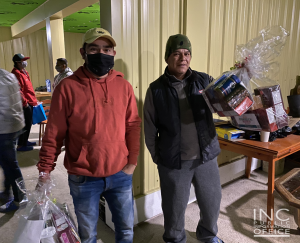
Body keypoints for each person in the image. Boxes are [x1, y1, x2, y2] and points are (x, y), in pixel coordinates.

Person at [37, 28, 141, 243]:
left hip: (120, 173)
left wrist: (132, 162)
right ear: (83, 52)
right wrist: (45, 170)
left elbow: (132, 125)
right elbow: (54, 132)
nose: (101, 54)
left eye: (106, 49)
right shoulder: (67, 88)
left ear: (113, 53)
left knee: (126, 231)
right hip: (83, 176)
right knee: (88, 236)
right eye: (94, 49)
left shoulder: (124, 87)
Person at [144, 34, 224, 243]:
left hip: (206, 156)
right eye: (177, 54)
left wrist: (240, 76)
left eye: (187, 53)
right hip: (174, 160)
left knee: (211, 201)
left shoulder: (204, 80)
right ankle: (174, 239)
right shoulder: (156, 89)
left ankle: (208, 235)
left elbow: (225, 100)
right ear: (167, 58)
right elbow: (149, 127)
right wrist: (157, 156)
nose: (183, 58)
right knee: (174, 207)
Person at [0, 68, 27, 212]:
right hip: (14, 125)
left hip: (4, 129)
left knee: (10, 165)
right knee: (6, 163)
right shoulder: (8, 75)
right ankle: (6, 192)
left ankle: (19, 200)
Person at [12, 53, 38, 151]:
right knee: (24, 124)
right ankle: (21, 145)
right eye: (23, 61)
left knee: (28, 123)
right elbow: (18, 91)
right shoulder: (16, 74)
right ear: (17, 63)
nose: (25, 62)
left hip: (30, 102)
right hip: (24, 104)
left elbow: (28, 88)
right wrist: (25, 103)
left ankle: (25, 141)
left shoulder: (24, 72)